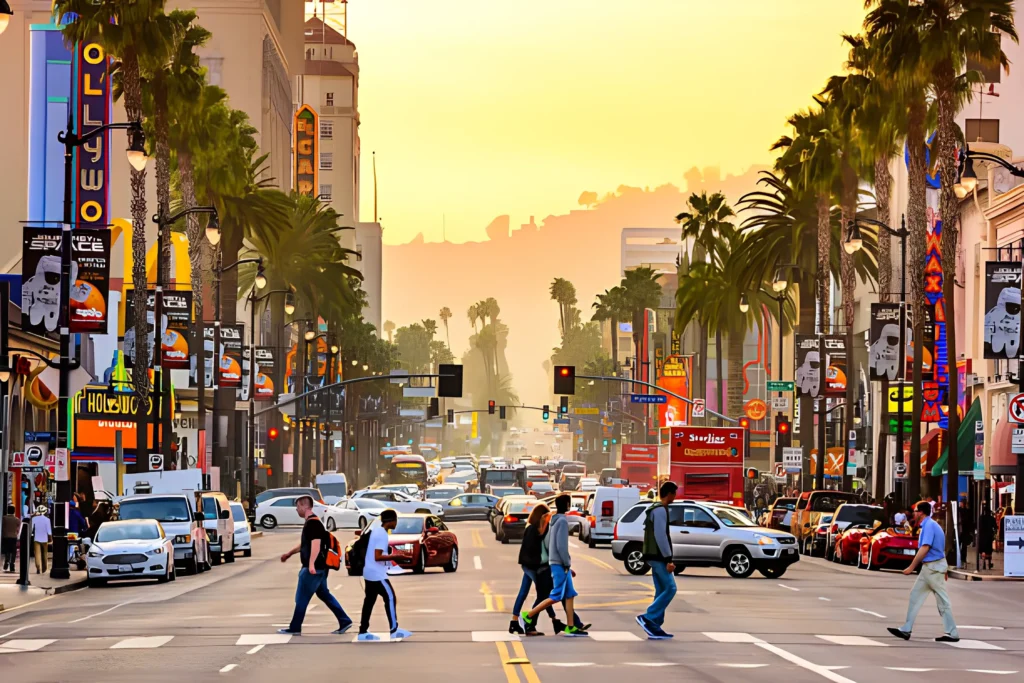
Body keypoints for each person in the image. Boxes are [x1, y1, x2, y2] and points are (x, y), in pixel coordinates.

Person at [278, 495, 353, 636]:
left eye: (298, 507)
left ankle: (295, 627)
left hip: (314, 568)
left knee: (301, 598)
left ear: (305, 506)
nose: (296, 510)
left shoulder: (313, 524)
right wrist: (289, 553)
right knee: (324, 594)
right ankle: (344, 620)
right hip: (319, 568)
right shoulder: (312, 523)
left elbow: (316, 545)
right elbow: (305, 544)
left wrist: (311, 564)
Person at [887, 501, 959, 643]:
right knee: (915, 596)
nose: (913, 513)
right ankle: (906, 628)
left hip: (933, 568)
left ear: (921, 512)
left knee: (942, 600)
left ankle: (952, 633)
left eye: (915, 511)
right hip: (930, 568)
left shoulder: (929, 526)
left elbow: (925, 547)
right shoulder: (928, 525)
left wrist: (912, 566)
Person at [518, 494, 588, 637]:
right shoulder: (562, 521)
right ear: (567, 505)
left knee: (570, 594)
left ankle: (570, 626)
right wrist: (566, 563)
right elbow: (561, 546)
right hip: (560, 564)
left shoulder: (554, 520)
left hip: (557, 563)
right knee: (556, 595)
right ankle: (528, 615)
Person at [358, 509, 413, 641]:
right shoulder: (382, 534)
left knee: (369, 601)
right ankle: (394, 630)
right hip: (377, 574)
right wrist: (397, 556)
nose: (396, 523)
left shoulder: (376, 531)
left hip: (369, 572)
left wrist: (392, 559)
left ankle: (363, 631)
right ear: (391, 521)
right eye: (396, 521)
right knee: (390, 598)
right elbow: (378, 556)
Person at [637, 481, 678, 639]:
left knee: (661, 590)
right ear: (669, 494)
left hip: (652, 555)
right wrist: (668, 558)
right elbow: (661, 535)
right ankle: (649, 617)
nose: (675, 496)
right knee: (671, 588)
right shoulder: (660, 510)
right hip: (658, 556)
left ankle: (654, 626)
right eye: (674, 493)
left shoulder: (654, 508)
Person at [510, 503, 558, 635]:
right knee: (543, 595)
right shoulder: (533, 530)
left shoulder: (534, 529)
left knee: (526, 592)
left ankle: (514, 622)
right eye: (546, 517)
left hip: (530, 565)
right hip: (532, 566)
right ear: (541, 517)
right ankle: (531, 624)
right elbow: (533, 548)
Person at [30, 506, 52, 574]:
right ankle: (44, 568)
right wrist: (50, 538)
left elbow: (31, 529)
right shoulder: (47, 520)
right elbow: (49, 531)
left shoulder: (34, 519)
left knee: (37, 553)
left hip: (36, 538)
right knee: (45, 554)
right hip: (44, 539)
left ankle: (38, 567)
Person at [2, 506, 20, 572]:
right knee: (13, 551)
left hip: (5, 537)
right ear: (14, 511)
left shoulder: (4, 518)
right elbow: (18, 526)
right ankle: (12, 564)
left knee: (7, 550)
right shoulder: (16, 519)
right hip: (13, 537)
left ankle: (6, 561)